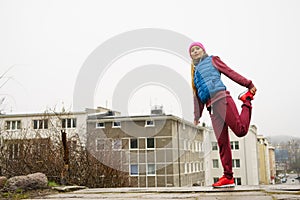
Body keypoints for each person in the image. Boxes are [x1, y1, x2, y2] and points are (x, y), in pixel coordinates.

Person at [189, 42, 257, 188]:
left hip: (221, 99)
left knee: (240, 130)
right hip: (211, 108)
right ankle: (228, 177)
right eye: (192, 51)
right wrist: (196, 116)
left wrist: (248, 84)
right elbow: (197, 97)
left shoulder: (212, 60)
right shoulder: (194, 74)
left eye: (197, 49)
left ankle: (247, 101)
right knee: (222, 142)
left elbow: (230, 72)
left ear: (203, 50)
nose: (195, 51)